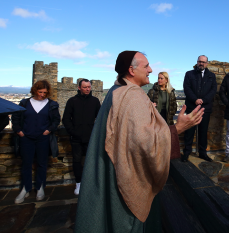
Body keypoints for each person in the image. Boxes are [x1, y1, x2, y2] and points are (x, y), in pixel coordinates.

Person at [75, 51, 204, 233]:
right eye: (146, 66)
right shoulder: (132, 95)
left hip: (110, 168)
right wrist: (179, 128)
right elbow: (145, 143)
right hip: (122, 176)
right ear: (131, 70)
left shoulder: (116, 90)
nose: (151, 70)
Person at [11, 80, 60, 204]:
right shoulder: (24, 103)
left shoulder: (51, 104)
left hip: (42, 138)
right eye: (40, 92)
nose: (42, 95)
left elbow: (56, 120)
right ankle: (25, 188)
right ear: (35, 90)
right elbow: (16, 118)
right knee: (26, 164)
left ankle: (40, 188)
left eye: (45, 92)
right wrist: (18, 131)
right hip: (26, 138)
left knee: (42, 164)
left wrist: (49, 130)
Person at [62, 79, 101, 195]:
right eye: (85, 87)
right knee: (77, 161)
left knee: (91, 162)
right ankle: (78, 184)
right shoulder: (72, 101)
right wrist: (73, 132)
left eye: (89, 87)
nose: (88, 89)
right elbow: (66, 119)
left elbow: (99, 119)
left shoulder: (95, 101)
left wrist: (94, 132)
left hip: (90, 138)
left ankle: (90, 184)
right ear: (79, 88)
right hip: (76, 138)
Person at [182, 55, 217, 162]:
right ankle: (186, 153)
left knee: (203, 131)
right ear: (197, 62)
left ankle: (203, 153)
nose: (201, 63)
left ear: (207, 63)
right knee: (189, 131)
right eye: (199, 61)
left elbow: (213, 90)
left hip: (205, 108)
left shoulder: (211, 76)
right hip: (192, 107)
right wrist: (195, 99)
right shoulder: (189, 74)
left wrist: (203, 100)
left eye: (203, 62)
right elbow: (186, 88)